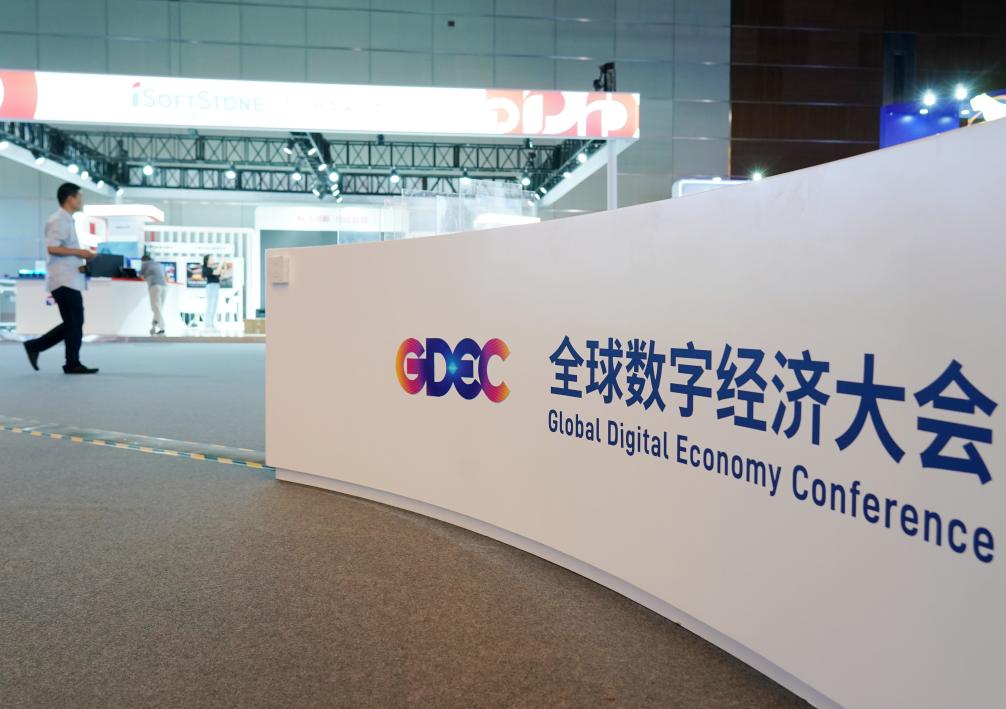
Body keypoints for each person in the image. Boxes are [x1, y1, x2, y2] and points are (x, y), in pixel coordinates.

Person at [23, 183, 98, 374]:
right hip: (63, 280)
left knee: (74, 323)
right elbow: (53, 248)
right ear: (70, 199)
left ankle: (44, 350)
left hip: (69, 278)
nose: (82, 201)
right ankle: (68, 361)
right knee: (74, 322)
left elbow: (61, 250)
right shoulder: (58, 220)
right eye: (79, 197)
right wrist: (80, 252)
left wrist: (82, 260)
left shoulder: (67, 220)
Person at [140, 252, 167, 335]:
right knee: (158, 309)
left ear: (143, 260)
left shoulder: (145, 264)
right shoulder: (159, 265)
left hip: (155, 286)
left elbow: (141, 276)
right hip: (164, 286)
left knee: (156, 308)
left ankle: (162, 328)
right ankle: (153, 327)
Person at [202, 255, 221, 330]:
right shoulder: (206, 268)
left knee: (214, 305)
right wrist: (221, 264)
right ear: (207, 260)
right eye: (211, 259)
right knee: (210, 305)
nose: (213, 260)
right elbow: (217, 272)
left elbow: (220, 274)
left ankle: (211, 323)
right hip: (211, 287)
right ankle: (208, 323)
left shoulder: (211, 268)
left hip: (215, 286)